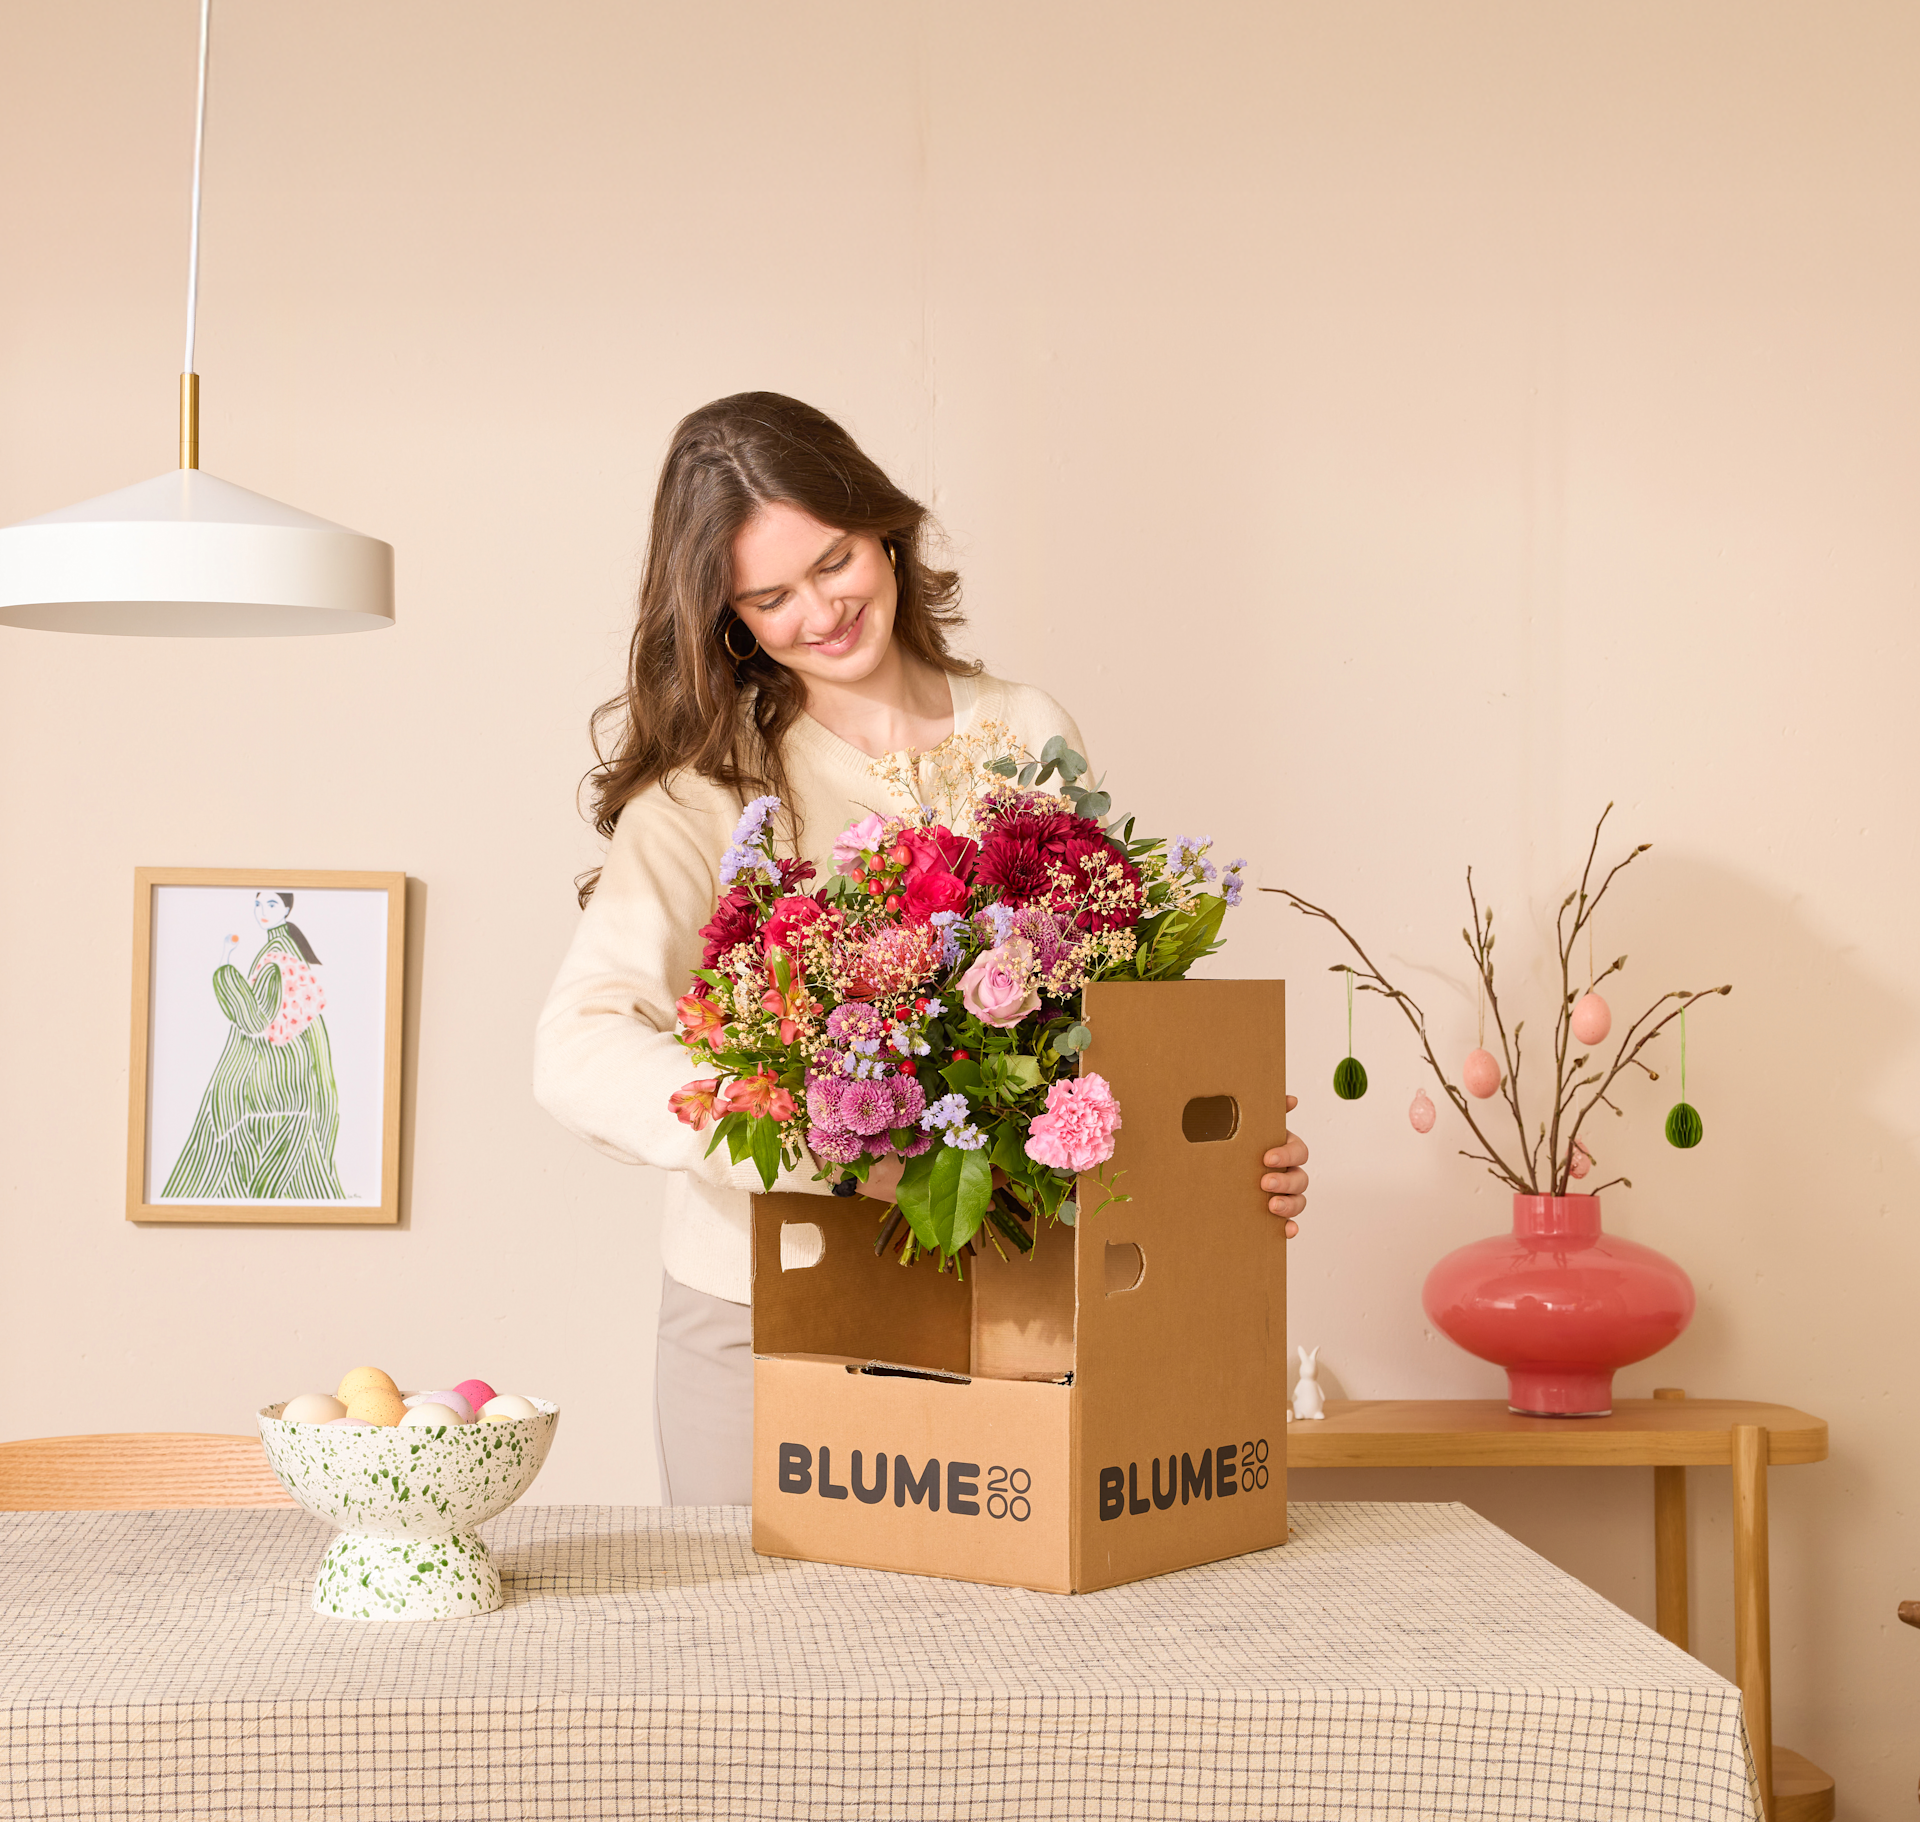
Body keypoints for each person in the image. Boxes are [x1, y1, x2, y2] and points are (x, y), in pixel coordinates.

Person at [535, 392, 1310, 1504]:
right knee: (758, 1624)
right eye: (771, 597)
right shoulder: (708, 792)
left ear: (884, 528)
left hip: (1011, 1301)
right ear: (726, 618)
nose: (822, 611)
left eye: (835, 561)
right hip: (765, 1312)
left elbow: (1100, 1018)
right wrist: (834, 1143)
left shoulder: (1027, 731)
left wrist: (1218, 1161)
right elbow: (577, 1051)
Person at [163, 889, 342, 1201]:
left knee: (231, 1142)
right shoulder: (288, 950)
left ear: (286, 910)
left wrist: (224, 964)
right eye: (257, 904)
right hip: (294, 1076)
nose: (262, 911)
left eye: (271, 904)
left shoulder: (276, 957)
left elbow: (255, 1022)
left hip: (271, 1077)